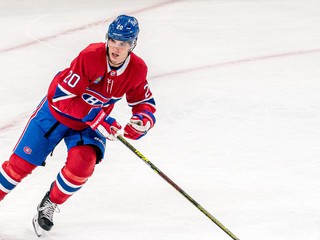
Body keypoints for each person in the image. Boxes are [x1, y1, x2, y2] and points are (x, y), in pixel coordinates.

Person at [0, 14, 156, 235]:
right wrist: (98, 116)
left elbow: (144, 102)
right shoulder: (91, 56)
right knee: (17, 168)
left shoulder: (137, 69)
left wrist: (143, 121)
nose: (116, 47)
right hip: (55, 115)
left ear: (133, 45)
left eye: (123, 43)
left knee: (83, 165)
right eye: (112, 40)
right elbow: (61, 97)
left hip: (88, 125)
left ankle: (50, 203)